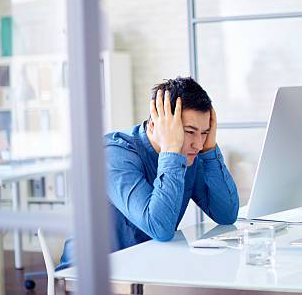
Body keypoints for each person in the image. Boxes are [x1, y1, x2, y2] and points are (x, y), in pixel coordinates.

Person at [57, 77, 239, 269]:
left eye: (204, 133)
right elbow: (159, 228)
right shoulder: (113, 155)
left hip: (144, 266)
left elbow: (226, 215)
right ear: (154, 124)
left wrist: (210, 150)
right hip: (88, 274)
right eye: (189, 131)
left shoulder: (188, 155)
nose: (198, 144)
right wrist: (171, 149)